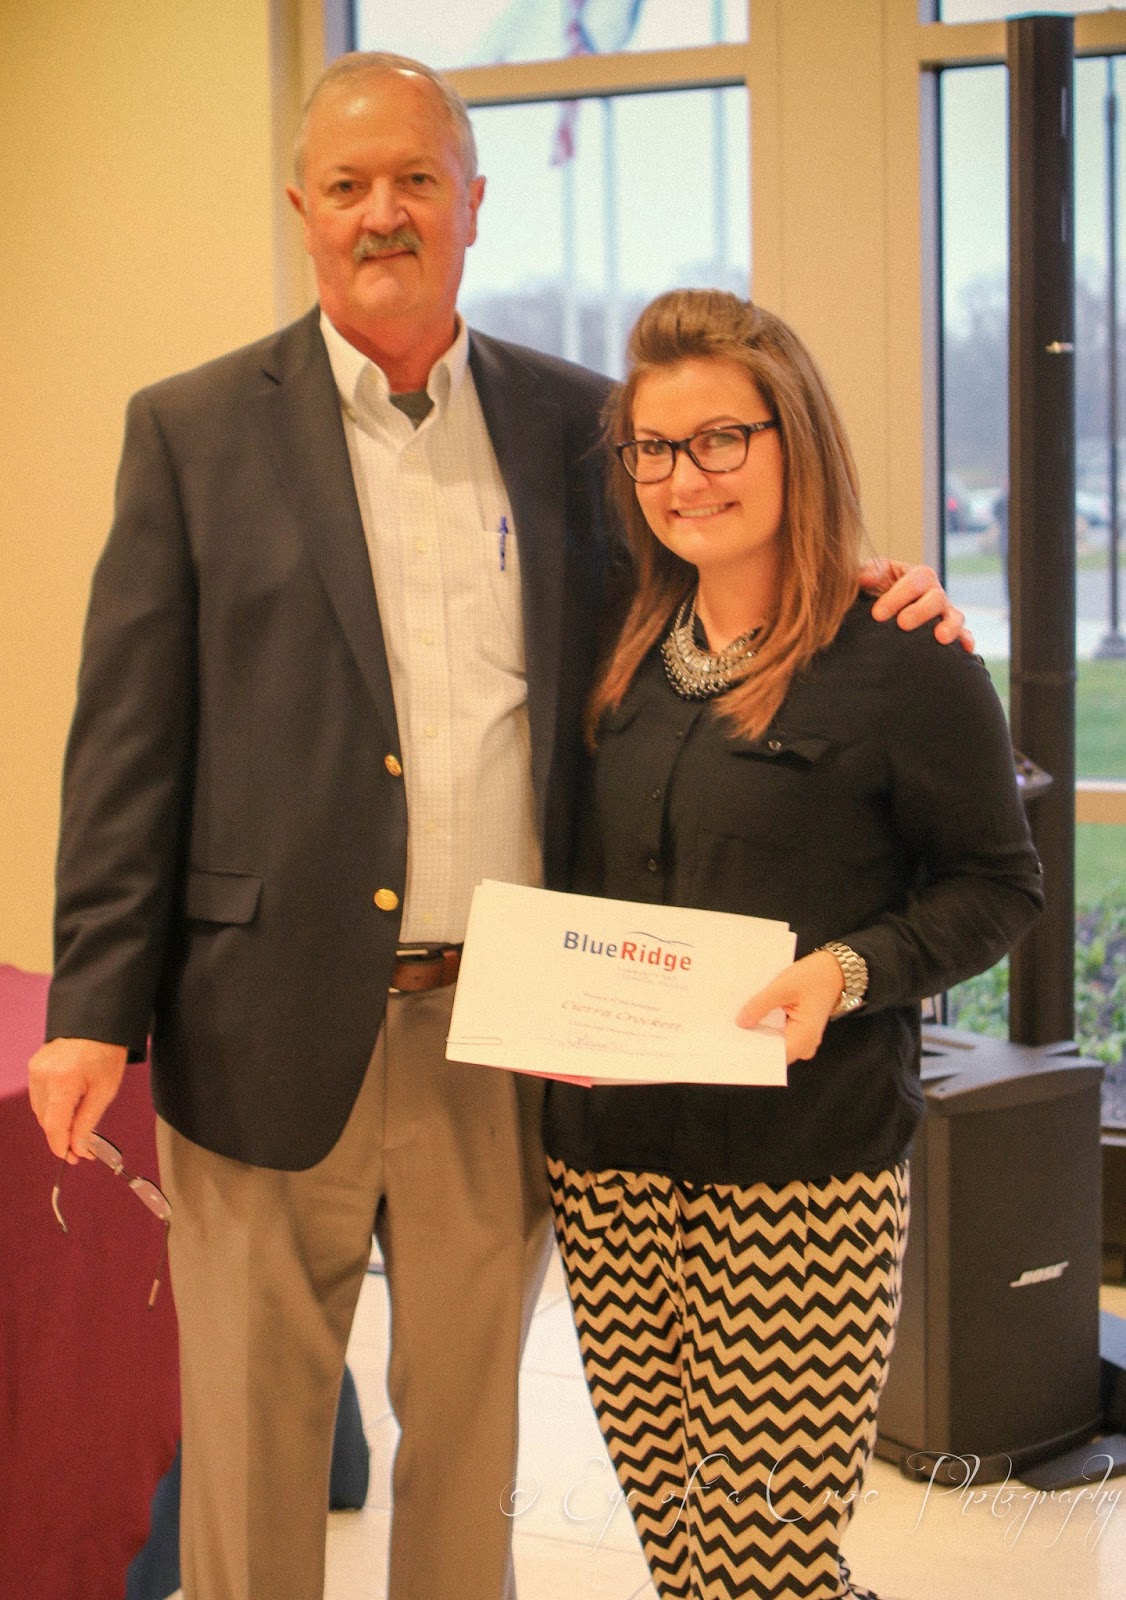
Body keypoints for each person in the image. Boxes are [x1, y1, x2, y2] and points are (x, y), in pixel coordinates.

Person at [26, 52, 967, 1600]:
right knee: (252, 1447)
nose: (381, 212)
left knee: (470, 1444)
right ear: (301, 209)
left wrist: (873, 587)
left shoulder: (581, 426)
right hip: (255, 1021)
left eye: (415, 179)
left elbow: (717, 579)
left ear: (473, 203)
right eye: (347, 185)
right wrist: (90, 1007)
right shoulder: (191, 433)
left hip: (505, 1030)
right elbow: (128, 743)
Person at [544, 289, 1043, 1600]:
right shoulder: (619, 649)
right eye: (654, 448)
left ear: (793, 439)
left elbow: (997, 887)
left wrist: (847, 970)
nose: (683, 477)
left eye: (720, 438)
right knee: (682, 1558)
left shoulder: (905, 660)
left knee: (765, 1566)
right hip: (610, 1168)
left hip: (802, 1179)